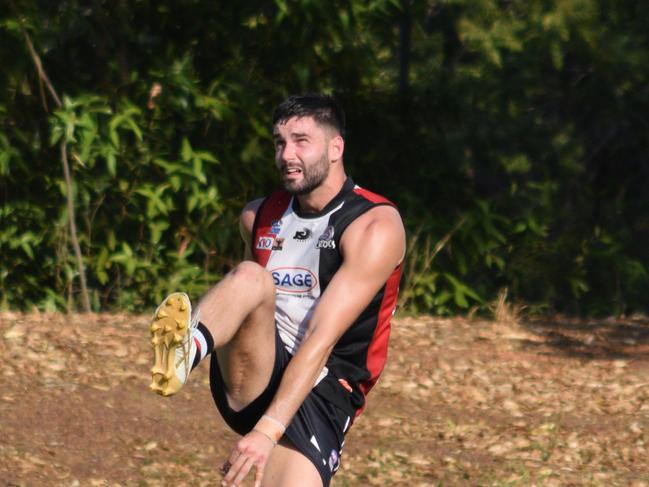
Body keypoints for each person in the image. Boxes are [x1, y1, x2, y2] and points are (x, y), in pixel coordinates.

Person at [148, 93, 405, 487]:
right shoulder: (258, 216)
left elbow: (322, 339)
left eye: (301, 141)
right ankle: (188, 348)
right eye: (279, 142)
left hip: (325, 386)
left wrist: (266, 433)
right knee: (252, 276)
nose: (287, 154)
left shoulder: (373, 225)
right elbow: (245, 298)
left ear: (336, 147)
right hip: (258, 371)